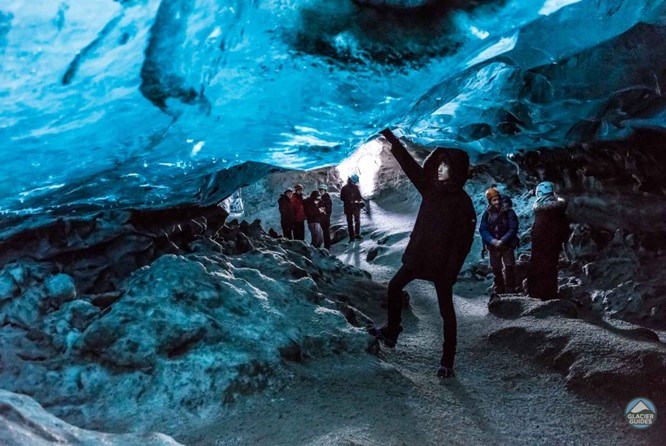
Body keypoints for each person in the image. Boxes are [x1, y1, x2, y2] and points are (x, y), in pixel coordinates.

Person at [371, 129, 476, 378]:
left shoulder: (463, 203)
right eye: (438, 164)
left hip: (441, 265)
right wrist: (391, 138)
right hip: (420, 257)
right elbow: (409, 164)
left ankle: (447, 360)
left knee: (446, 311)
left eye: (445, 165)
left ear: (456, 170)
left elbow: (464, 243)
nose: (439, 169)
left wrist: (452, 270)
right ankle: (392, 330)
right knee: (394, 286)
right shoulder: (430, 189)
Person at [526, 181, 570, 300]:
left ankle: (536, 292)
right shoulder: (560, 209)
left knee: (538, 266)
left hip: (540, 243)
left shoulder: (540, 209)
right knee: (551, 267)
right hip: (553, 243)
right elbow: (565, 227)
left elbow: (538, 228)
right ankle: (549, 292)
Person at [479, 187, 519, 294]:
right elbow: (483, 229)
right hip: (493, 246)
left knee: (509, 265)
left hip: (507, 244)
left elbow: (513, 228)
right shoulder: (487, 214)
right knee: (495, 267)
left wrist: (502, 240)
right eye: (494, 200)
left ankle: (511, 288)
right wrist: (492, 241)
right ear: (490, 202)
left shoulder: (509, 212)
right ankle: (499, 288)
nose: (496, 202)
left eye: (497, 199)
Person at [340, 174, 364, 242]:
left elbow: (359, 196)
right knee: (350, 222)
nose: (354, 183)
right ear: (350, 180)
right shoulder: (344, 188)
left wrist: (358, 201)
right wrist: (350, 200)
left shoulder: (356, 187)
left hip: (356, 207)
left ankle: (357, 234)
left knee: (357, 221)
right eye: (353, 182)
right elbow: (342, 197)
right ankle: (351, 236)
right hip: (348, 208)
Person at [318, 184, 333, 249]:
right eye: (320, 190)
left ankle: (327, 246)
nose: (321, 191)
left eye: (322, 190)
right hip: (322, 218)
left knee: (326, 232)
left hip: (325, 219)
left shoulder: (326, 199)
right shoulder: (322, 199)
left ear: (325, 190)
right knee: (325, 232)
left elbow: (328, 210)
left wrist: (324, 213)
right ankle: (326, 245)